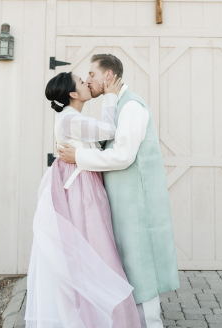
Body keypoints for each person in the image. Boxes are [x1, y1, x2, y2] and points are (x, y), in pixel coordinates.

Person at [57, 54, 179, 328]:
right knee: (127, 269)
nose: (88, 80)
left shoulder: (132, 107)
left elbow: (123, 155)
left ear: (108, 76)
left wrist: (79, 157)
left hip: (136, 204)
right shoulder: (118, 106)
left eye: (92, 74)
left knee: (141, 268)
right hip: (121, 203)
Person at [25, 71, 141, 328]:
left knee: (91, 251)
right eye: (81, 81)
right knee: (95, 250)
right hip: (80, 188)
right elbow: (110, 130)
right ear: (73, 94)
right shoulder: (69, 119)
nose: (87, 82)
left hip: (80, 183)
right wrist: (110, 96)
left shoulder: (71, 117)